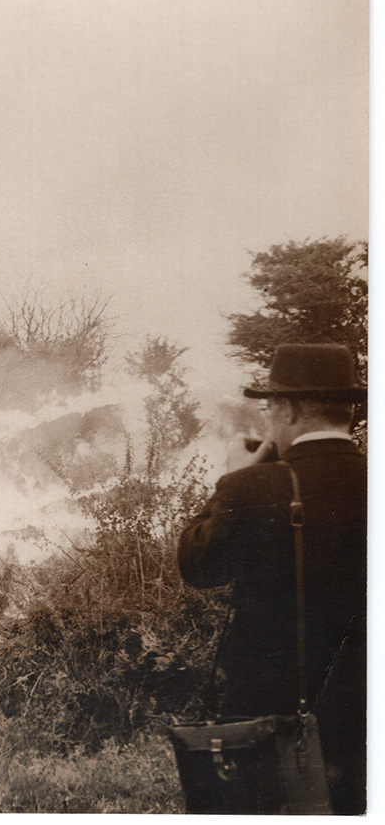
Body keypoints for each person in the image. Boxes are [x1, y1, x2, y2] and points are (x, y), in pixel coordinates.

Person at [177, 344, 366, 815]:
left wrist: (234, 480)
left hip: (270, 711)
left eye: (270, 407)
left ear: (290, 408)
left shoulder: (251, 487)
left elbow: (197, 566)